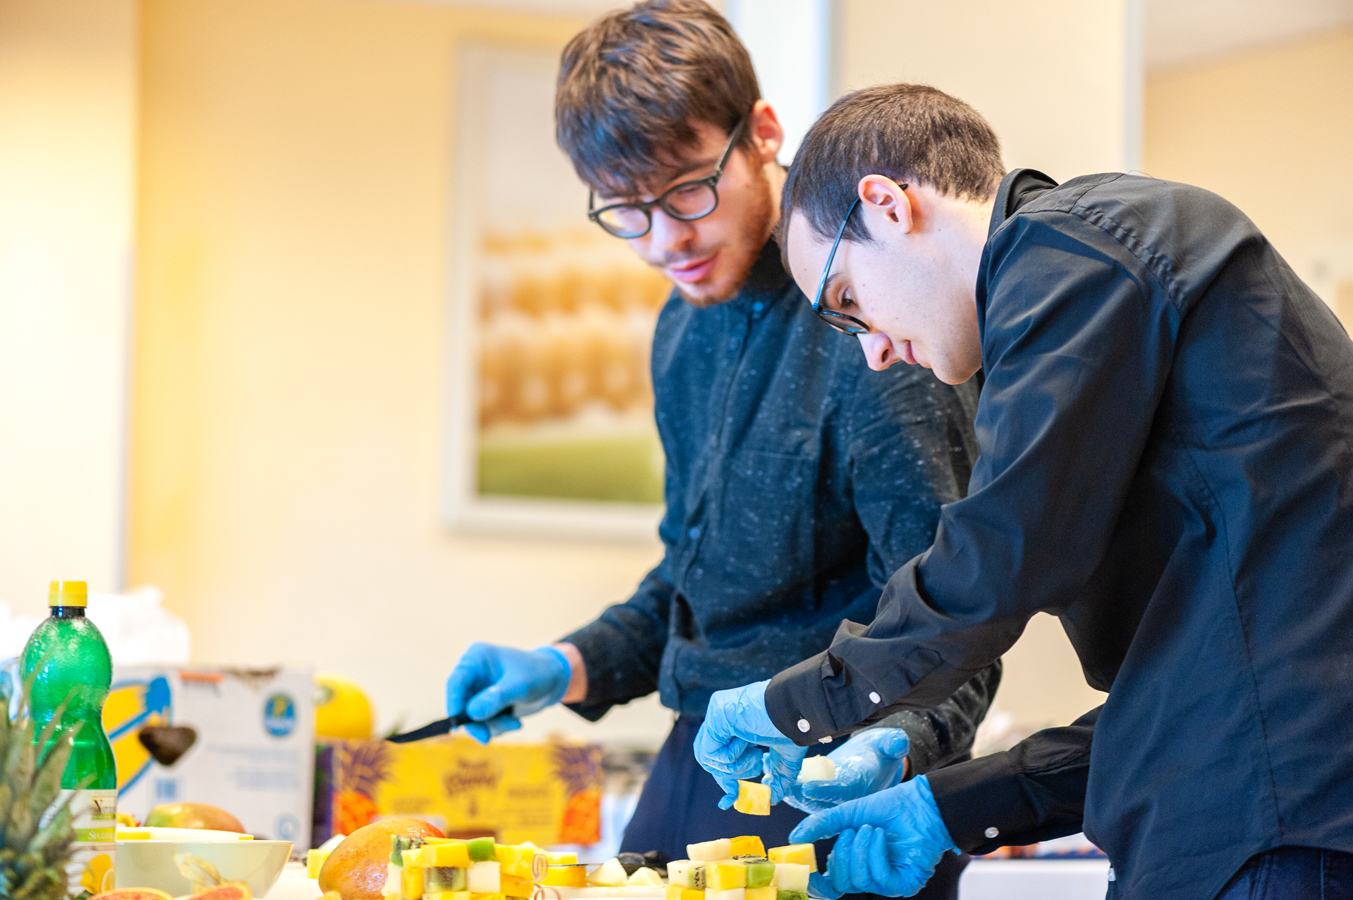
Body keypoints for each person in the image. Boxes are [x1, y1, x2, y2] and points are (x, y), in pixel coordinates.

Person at [693, 82, 1353, 900]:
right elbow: (1182, 703)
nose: (871, 352)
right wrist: (945, 808)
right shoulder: (1093, 291)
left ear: (887, 206)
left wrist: (796, 703)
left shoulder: (1075, 245)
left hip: (1275, 836)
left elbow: (1000, 561)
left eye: (848, 302)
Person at [442, 5, 1001, 899]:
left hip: (830, 780)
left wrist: (899, 747)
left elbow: (956, 612)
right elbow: (690, 581)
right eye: (627, 210)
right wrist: (566, 665)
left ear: (762, 134)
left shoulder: (873, 324)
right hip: (691, 759)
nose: (664, 241)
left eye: (684, 191)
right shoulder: (679, 333)